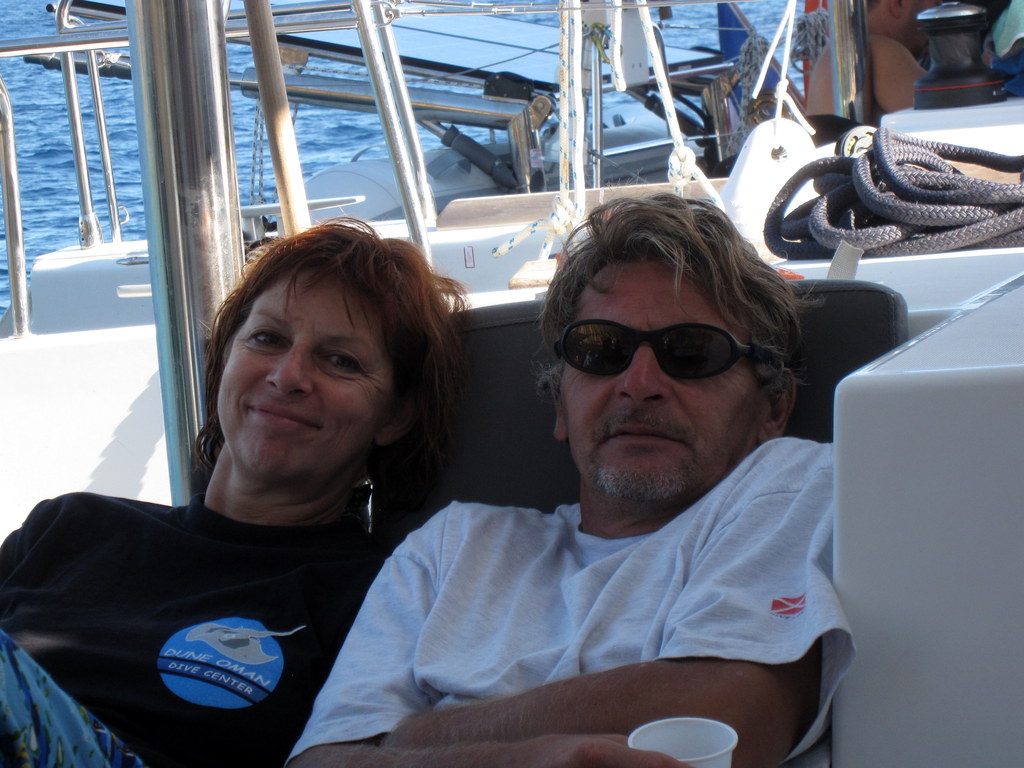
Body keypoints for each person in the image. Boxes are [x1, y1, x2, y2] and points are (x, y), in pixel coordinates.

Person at [288, 195, 853, 768]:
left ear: (773, 408)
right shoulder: (450, 548)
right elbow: (322, 760)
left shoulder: (795, 485)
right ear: (560, 405)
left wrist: (407, 741)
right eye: (601, 350)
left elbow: (725, 720)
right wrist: (522, 759)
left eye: (691, 352)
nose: (638, 384)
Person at [0, 219, 468, 768]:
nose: (288, 376)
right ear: (225, 359)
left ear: (395, 415)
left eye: (341, 361)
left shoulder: (380, 599)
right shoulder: (68, 528)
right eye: (267, 339)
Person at [807, 0, 939, 126]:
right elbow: (944, 115)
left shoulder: (833, 54)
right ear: (898, 3)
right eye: (936, 4)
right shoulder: (880, 51)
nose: (938, 17)